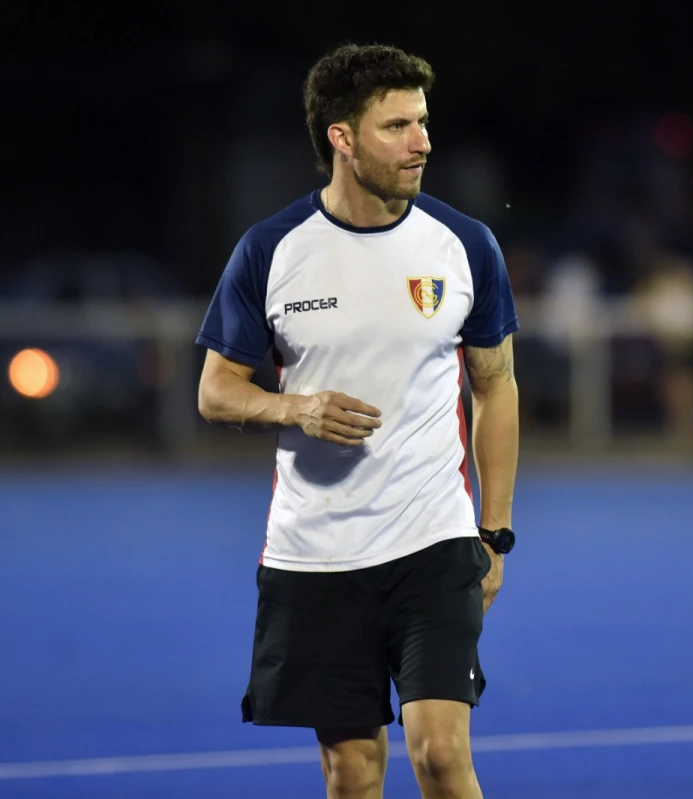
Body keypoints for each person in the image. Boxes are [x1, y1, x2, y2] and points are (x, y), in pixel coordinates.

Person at [195, 44, 519, 799]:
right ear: (342, 138)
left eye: (424, 122)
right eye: (398, 125)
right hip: (316, 551)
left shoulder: (465, 245)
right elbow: (216, 392)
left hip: (432, 541)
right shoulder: (271, 250)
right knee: (353, 770)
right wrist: (294, 406)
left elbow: (495, 388)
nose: (423, 142)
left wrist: (494, 532)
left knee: (440, 754)